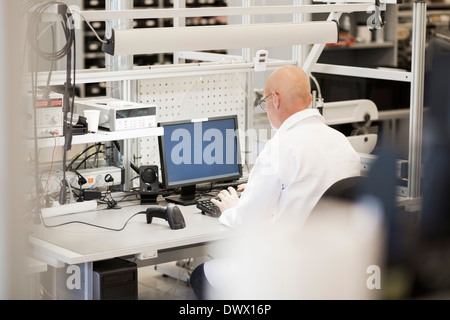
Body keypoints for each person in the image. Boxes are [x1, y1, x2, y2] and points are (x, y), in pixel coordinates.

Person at [190, 65, 362, 299]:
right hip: (330, 270)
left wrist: (232, 209)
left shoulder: (280, 147)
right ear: (310, 99)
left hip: (286, 271)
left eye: (265, 102)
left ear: (275, 100)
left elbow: (249, 219)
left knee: (201, 274)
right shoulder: (342, 142)